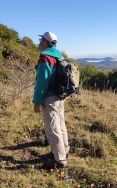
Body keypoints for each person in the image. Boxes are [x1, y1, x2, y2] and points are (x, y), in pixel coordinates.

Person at [33, 32, 69, 169]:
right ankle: (64, 151)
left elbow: (42, 82)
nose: (39, 42)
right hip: (60, 97)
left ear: (46, 42)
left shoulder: (45, 58)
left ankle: (59, 161)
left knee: (52, 129)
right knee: (60, 125)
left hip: (49, 98)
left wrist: (37, 102)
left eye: (41, 40)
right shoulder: (59, 56)